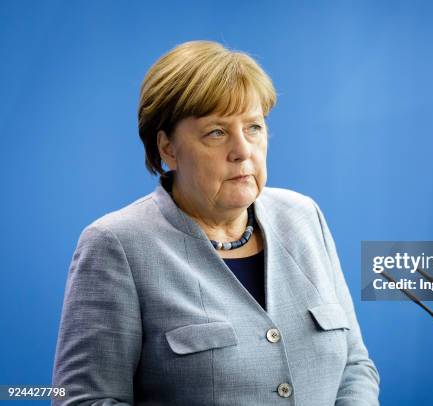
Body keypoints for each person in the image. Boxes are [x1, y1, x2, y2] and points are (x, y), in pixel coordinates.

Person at [52, 40, 380, 406]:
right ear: (168, 148)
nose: (243, 150)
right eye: (217, 132)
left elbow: (354, 367)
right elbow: (83, 400)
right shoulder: (117, 245)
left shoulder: (304, 217)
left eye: (253, 127)